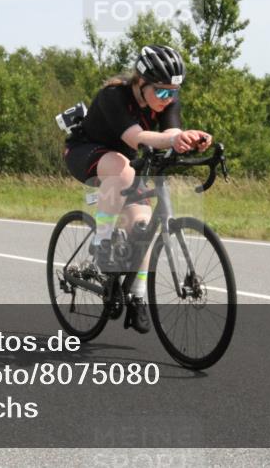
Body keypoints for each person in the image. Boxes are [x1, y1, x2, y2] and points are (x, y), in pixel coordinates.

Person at [63, 45, 212, 333]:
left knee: (142, 225)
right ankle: (101, 242)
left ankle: (138, 295)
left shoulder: (167, 99)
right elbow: (137, 137)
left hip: (125, 164)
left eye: (173, 92)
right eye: (162, 91)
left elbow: (170, 132)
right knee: (121, 169)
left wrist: (187, 137)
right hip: (86, 151)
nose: (167, 99)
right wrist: (172, 140)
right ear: (141, 83)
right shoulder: (113, 96)